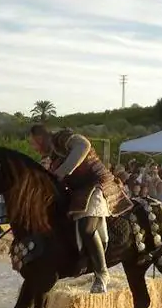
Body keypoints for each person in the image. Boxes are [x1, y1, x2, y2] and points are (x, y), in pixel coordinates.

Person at [29, 125, 132, 294]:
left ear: (40, 138)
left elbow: (84, 146)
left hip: (97, 184)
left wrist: (60, 173)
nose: (33, 147)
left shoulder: (62, 138)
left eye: (33, 143)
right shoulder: (53, 157)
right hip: (78, 192)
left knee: (87, 227)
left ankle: (102, 273)